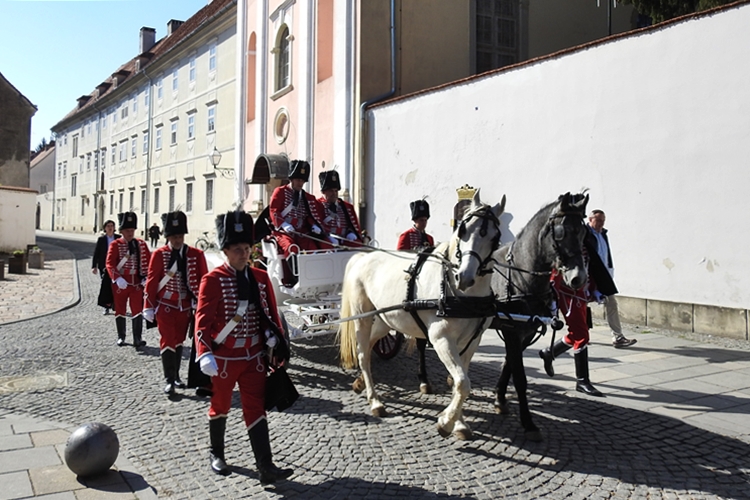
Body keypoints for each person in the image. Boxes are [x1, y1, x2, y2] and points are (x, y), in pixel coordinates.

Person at [194, 211, 293, 484]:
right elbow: (201, 321)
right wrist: (204, 353)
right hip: (224, 358)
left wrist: (274, 338)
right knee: (221, 405)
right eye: (237, 249)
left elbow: (270, 314)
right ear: (226, 250)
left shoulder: (260, 278)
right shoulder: (212, 280)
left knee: (255, 408)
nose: (244, 254)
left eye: (247, 248)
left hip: (253, 357)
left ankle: (266, 466)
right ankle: (217, 453)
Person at [143, 211, 208, 397]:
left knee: (179, 341)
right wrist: (148, 305)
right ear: (168, 237)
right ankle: (169, 380)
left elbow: (204, 281)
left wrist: (201, 303)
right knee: (167, 340)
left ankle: (177, 375)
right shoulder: (159, 255)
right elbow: (152, 280)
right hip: (165, 305)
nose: (177, 240)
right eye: (174, 237)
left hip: (186, 307)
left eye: (180, 236)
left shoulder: (196, 255)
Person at [269, 159, 330, 285]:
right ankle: (296, 279)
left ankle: (315, 277)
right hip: (284, 232)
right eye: (298, 180)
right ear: (291, 179)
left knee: (314, 249)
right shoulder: (280, 192)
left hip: (302, 232)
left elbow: (309, 215)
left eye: (302, 180)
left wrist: (314, 226)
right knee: (292, 248)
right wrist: (284, 225)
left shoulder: (307, 197)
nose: (300, 183)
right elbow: (274, 210)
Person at [397, 199, 435, 390]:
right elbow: (400, 258)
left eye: (425, 219)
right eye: (420, 219)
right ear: (414, 220)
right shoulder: (406, 236)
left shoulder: (429, 239)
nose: (423, 222)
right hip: (409, 278)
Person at [587, 209, 637, 348]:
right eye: (598, 220)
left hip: (604, 275)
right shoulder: (585, 234)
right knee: (582, 305)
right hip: (589, 275)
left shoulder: (603, 234)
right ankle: (582, 335)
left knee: (612, 304)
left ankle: (618, 337)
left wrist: (610, 270)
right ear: (590, 220)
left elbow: (606, 254)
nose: (601, 223)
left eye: (603, 220)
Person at [106, 212, 151, 349]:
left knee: (137, 310)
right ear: (121, 231)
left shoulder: (141, 245)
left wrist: (147, 278)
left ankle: (137, 338)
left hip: (136, 283)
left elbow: (150, 263)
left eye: (132, 230)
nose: (130, 233)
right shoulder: (115, 244)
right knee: (120, 309)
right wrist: (117, 278)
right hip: (121, 283)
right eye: (127, 231)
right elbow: (109, 263)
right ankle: (121, 336)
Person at [317, 170, 363, 246]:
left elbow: (353, 226)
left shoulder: (347, 207)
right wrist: (327, 237)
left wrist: (350, 233)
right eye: (331, 191)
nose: (334, 193)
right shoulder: (317, 204)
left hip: (344, 239)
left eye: (336, 191)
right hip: (327, 240)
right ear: (324, 191)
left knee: (358, 245)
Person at [92, 219, 120, 315]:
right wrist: (94, 266)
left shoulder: (118, 238)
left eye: (112, 226)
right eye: (108, 226)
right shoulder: (101, 240)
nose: (110, 228)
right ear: (105, 228)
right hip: (104, 266)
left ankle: (114, 304)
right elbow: (96, 253)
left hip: (117, 266)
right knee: (105, 286)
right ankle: (106, 306)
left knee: (116, 286)